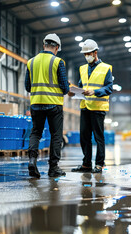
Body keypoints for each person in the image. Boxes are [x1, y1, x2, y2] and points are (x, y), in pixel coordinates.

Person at [25, 33, 69, 178]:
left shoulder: (31, 62)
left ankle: (32, 161)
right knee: (56, 135)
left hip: (36, 103)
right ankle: (53, 168)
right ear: (56, 48)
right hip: (53, 105)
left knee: (35, 132)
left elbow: (27, 86)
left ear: (44, 45)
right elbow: (64, 87)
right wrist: (67, 88)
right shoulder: (58, 62)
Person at [70, 39, 113, 173]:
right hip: (85, 107)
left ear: (95, 53)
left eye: (88, 53)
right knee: (84, 137)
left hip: (98, 108)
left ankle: (100, 164)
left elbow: (109, 88)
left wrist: (95, 92)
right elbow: (81, 86)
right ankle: (86, 164)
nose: (86, 56)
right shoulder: (83, 69)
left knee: (98, 137)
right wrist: (74, 92)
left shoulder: (106, 68)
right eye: (84, 54)